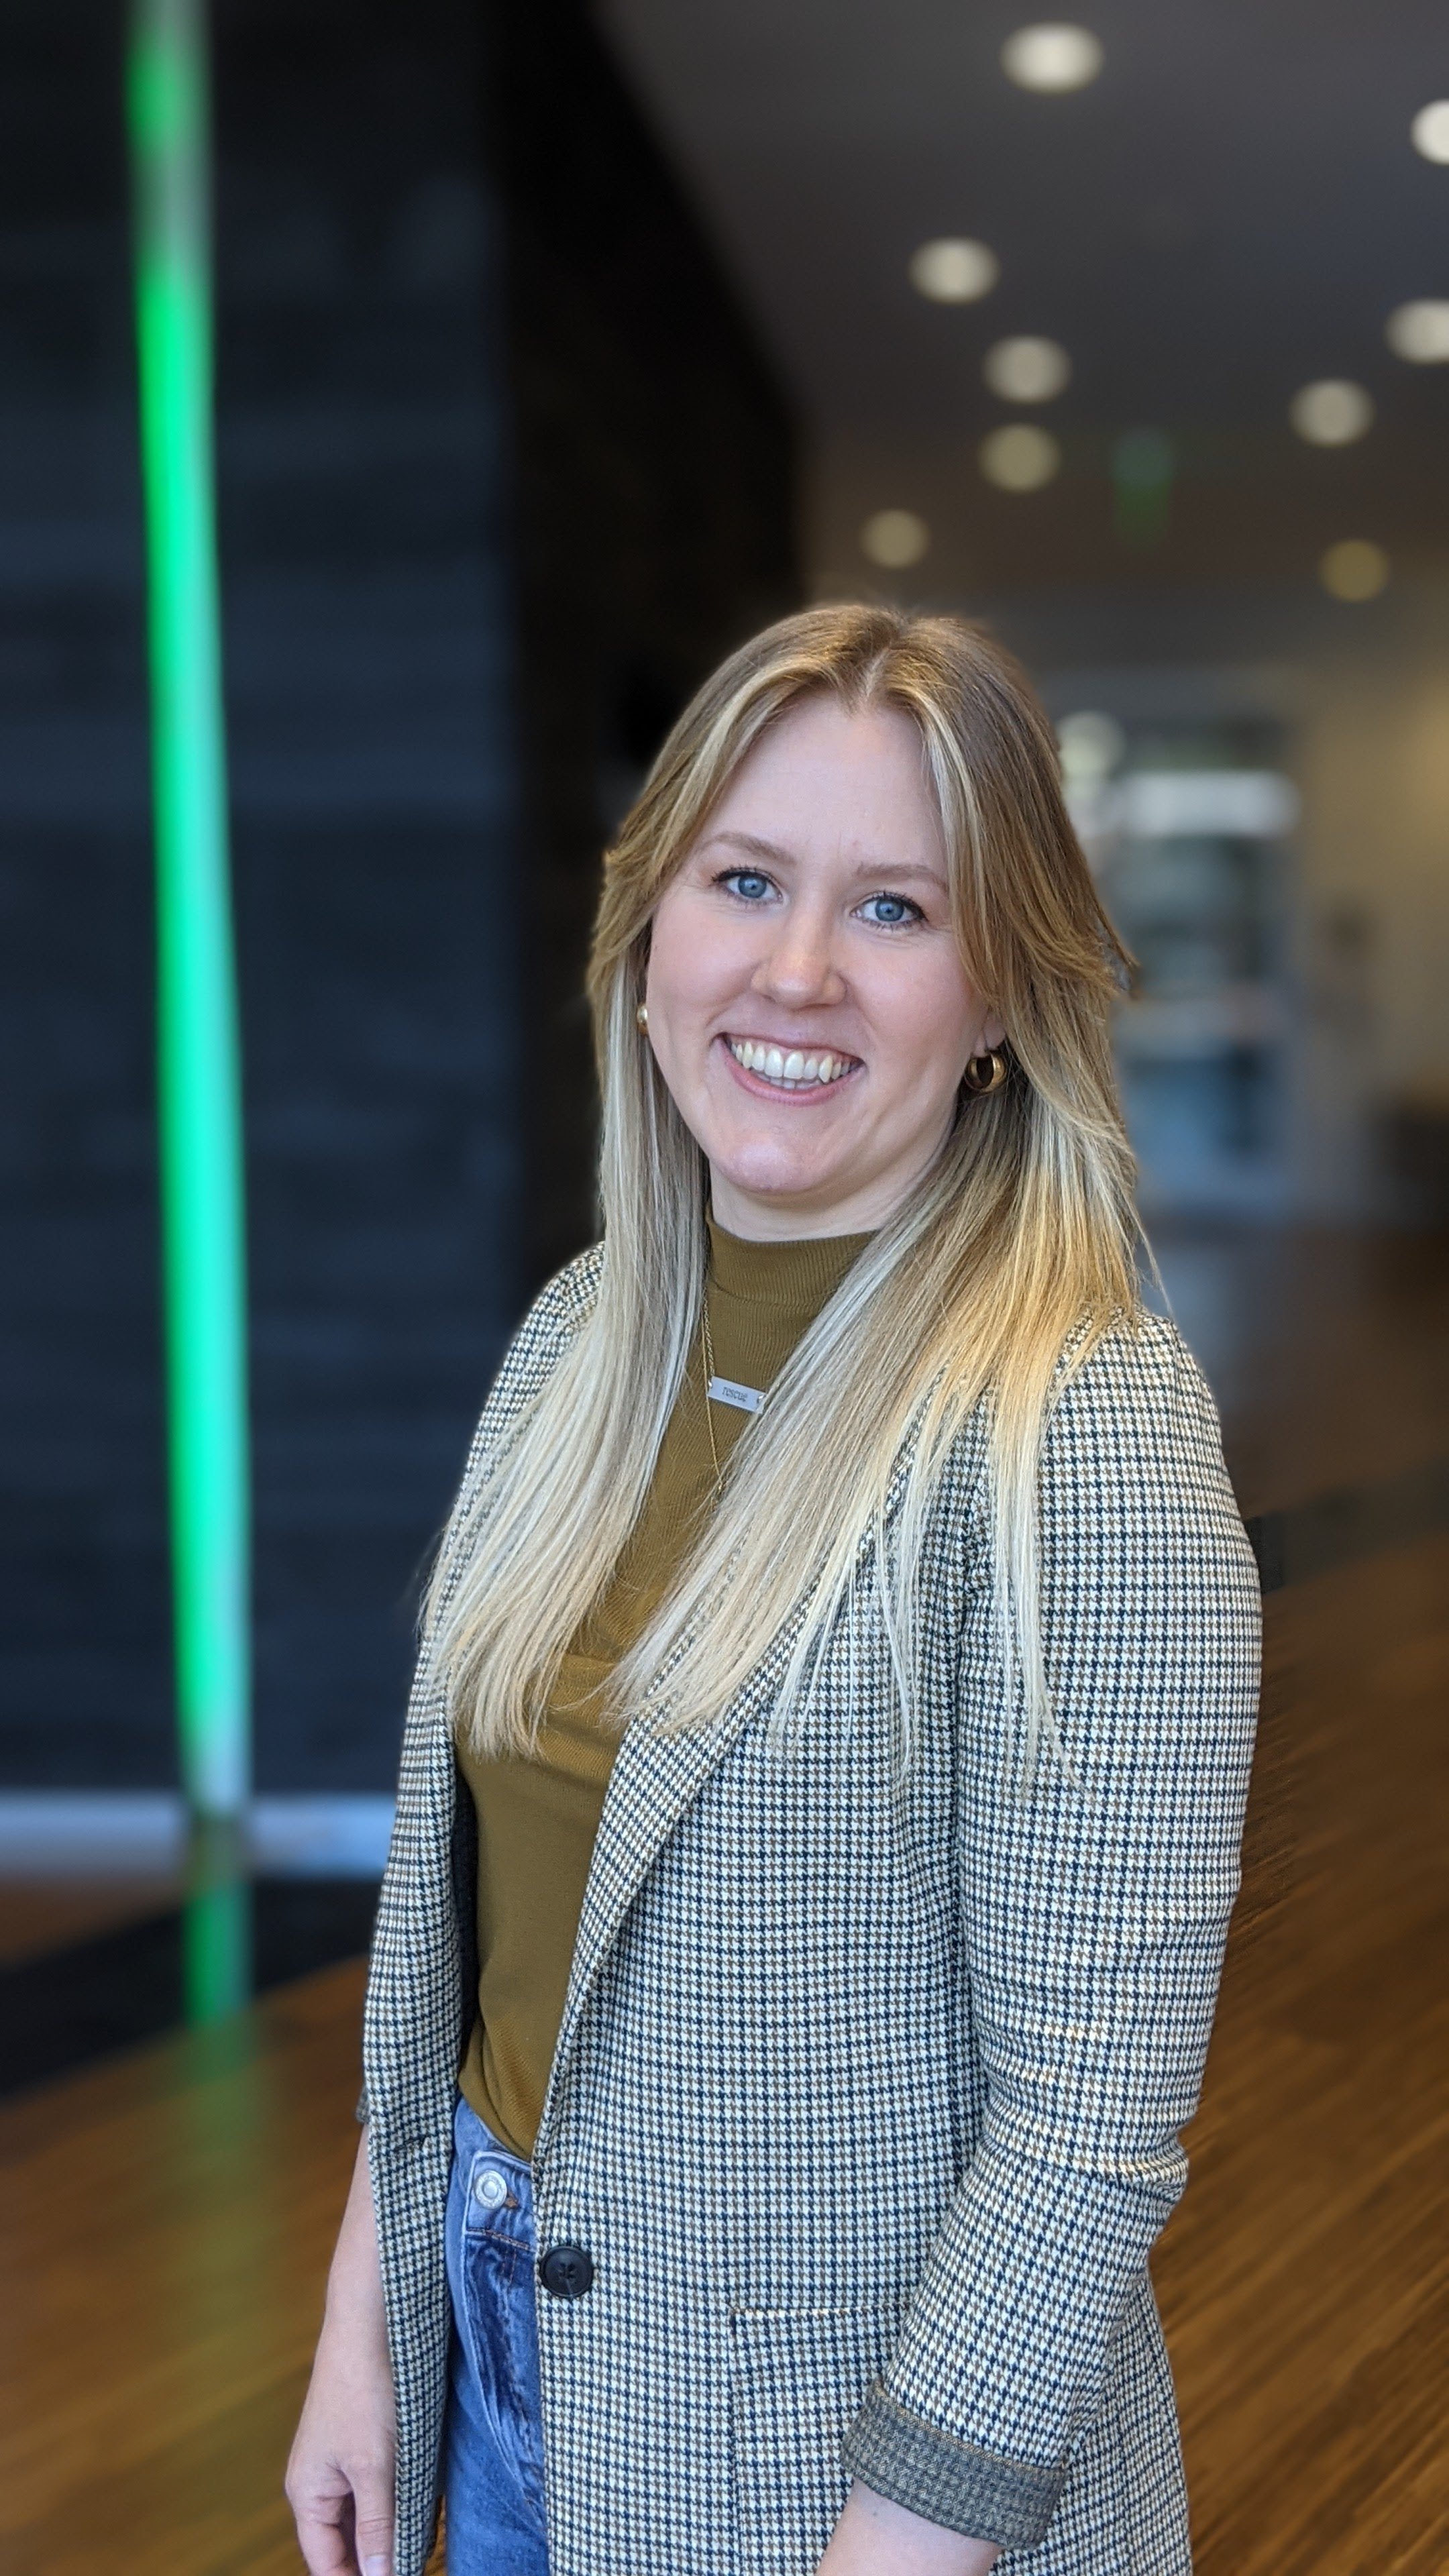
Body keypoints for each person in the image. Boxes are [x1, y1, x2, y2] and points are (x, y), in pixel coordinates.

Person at [286, 604, 1261, 2576]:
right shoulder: (576, 1345)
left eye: (896, 909)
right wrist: (364, 2318)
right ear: (653, 943)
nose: (798, 970)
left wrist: (896, 2550)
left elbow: (1085, 2130)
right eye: (745, 882)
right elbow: (486, 1941)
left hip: (835, 2485)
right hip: (491, 2340)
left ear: (1001, 996)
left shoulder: (1086, 1427)